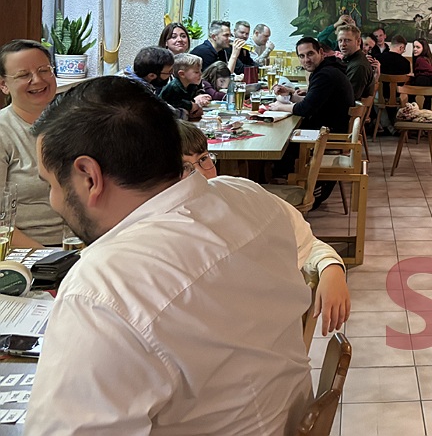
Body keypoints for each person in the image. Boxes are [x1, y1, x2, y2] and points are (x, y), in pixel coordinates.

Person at [25, 77, 315, 434]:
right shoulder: (247, 196)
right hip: (285, 417)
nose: (54, 201)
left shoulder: (102, 288)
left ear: (89, 177)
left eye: (52, 184)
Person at [176, 121, 349, 335]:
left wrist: (330, 266)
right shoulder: (172, 236)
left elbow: (306, 243)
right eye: (185, 168)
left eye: (204, 159)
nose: (201, 175)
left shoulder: (244, 198)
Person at [0, 40, 61, 247]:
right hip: (29, 250)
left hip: (85, 244)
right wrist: (51, 257)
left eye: (44, 70)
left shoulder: (76, 121)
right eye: (23, 75)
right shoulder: (3, 131)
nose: (37, 80)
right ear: (3, 85)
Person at [269, 37, 354, 134]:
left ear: (320, 52)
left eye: (310, 54)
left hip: (328, 134)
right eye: (302, 56)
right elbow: (313, 102)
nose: (306, 60)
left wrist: (279, 107)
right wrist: (290, 96)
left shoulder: (325, 75)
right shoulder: (327, 68)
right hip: (326, 128)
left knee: (278, 133)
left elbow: (305, 109)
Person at [158, 53, 206, 120]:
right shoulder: (174, 86)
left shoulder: (191, 85)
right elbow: (175, 102)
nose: (200, 74)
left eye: (200, 71)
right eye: (196, 72)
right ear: (182, 74)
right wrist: (190, 105)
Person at [337, 25, 376, 101]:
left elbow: (348, 97)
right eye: (340, 41)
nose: (342, 44)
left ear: (358, 41)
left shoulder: (359, 66)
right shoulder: (350, 59)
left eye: (347, 40)